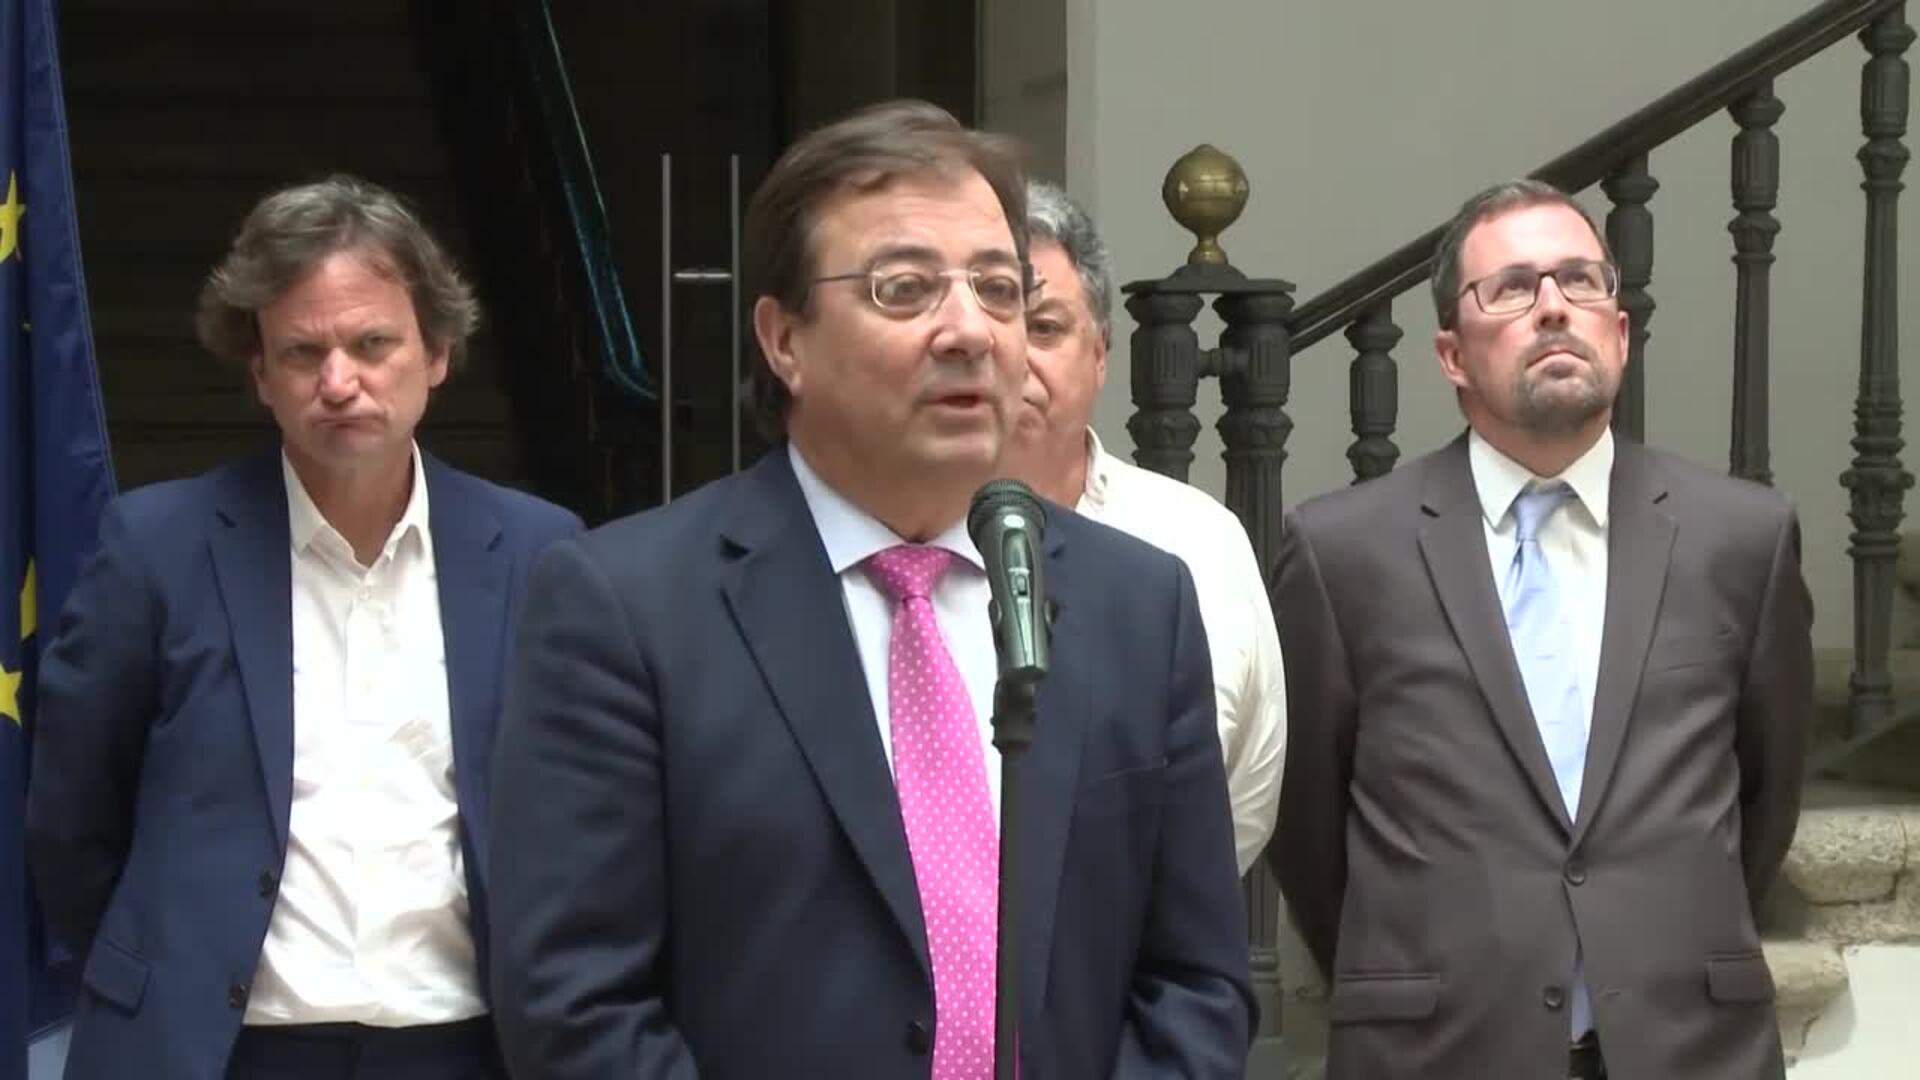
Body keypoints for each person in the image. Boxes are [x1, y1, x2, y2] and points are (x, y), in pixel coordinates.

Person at [488, 100, 1254, 1079]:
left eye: (1000, 290)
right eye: (905, 289)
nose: (970, 330)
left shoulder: (1137, 605)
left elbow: (1196, 983)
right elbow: (574, 1003)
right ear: (784, 341)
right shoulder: (625, 609)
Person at [27, 175, 583, 1080]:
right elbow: (72, 817)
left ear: (438, 352)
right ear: (260, 373)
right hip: (216, 1053)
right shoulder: (156, 549)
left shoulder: (539, 552)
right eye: (302, 351)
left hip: (467, 1046)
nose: (338, 382)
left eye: (372, 344)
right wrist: (159, 977)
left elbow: (584, 813)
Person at [1269, 179, 1812, 1079]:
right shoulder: (1343, 554)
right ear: (1451, 354)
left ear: (1621, 333)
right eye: (1513, 288)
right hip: (1436, 1052)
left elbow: (1768, 796)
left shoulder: (1742, 538)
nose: (1554, 307)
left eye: (1580, 280)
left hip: (1688, 1049)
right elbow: (1307, 830)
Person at [1001, 180, 1285, 875]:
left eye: (1045, 328)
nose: (1011, 355)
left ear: (1101, 353)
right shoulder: (896, 542)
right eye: (992, 321)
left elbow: (1246, 799)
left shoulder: (1197, 540)